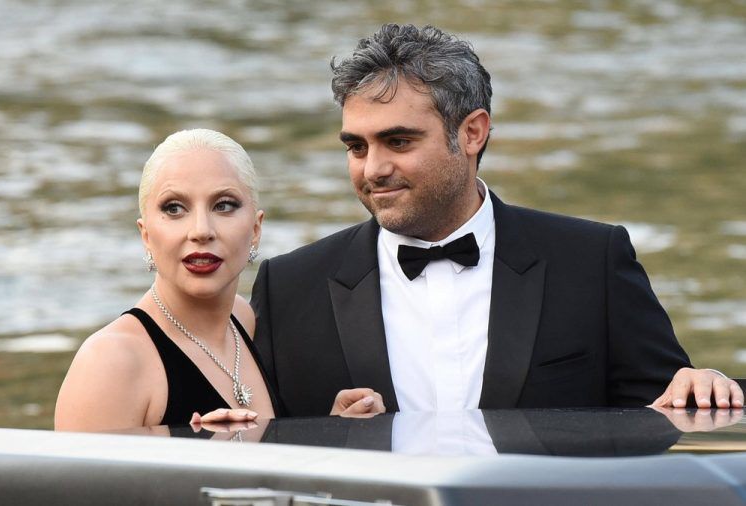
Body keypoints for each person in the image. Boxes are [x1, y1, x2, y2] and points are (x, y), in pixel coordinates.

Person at [250, 24, 744, 417]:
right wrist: (332, 439)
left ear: (472, 133)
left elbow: (673, 411)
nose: (373, 169)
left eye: (398, 142)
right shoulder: (289, 285)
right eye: (356, 146)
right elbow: (260, 453)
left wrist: (707, 386)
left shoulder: (593, 262)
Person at [55, 129, 383, 431]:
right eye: (174, 208)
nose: (201, 230)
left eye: (223, 205)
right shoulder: (111, 362)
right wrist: (197, 456)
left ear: (255, 230)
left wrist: (335, 434)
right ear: (146, 235)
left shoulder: (245, 321)